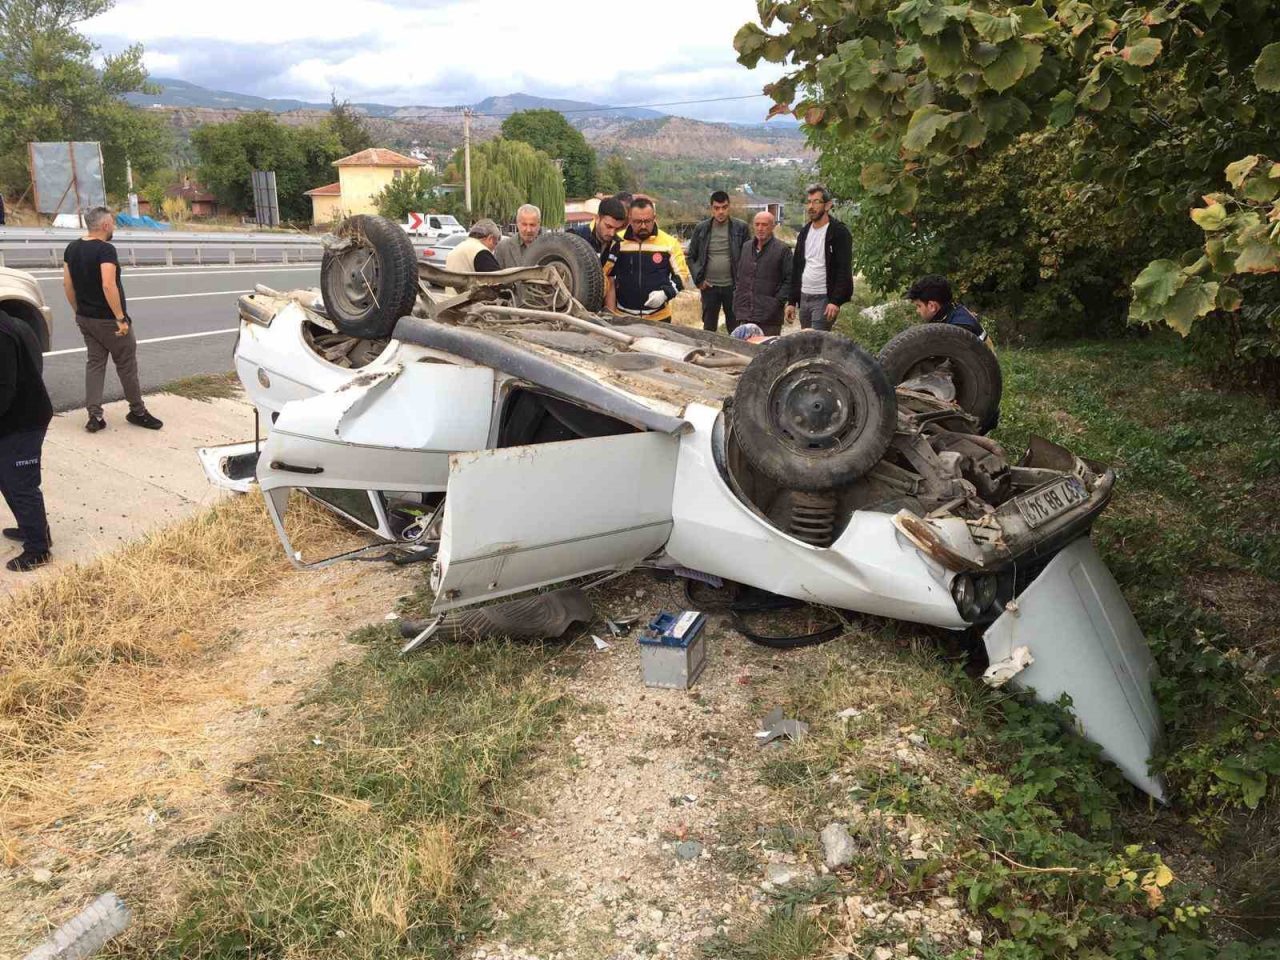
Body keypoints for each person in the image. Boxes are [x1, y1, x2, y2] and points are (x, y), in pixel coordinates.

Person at [63, 207, 162, 432]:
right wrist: (120, 318)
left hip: (86, 318)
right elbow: (108, 285)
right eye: (113, 223)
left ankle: (95, 416)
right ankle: (138, 411)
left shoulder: (72, 248)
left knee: (95, 364)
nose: (114, 227)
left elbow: (67, 285)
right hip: (109, 320)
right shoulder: (105, 250)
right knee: (126, 365)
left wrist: (79, 310)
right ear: (105, 225)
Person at [0, 308, 53, 571]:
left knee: (21, 484)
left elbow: (4, 389)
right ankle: (31, 527)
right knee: (6, 479)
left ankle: (38, 548)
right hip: (10, 419)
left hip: (24, 420)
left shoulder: (2, 332)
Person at [604, 197, 690, 322]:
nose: (643, 226)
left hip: (659, 318)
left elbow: (683, 275)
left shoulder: (669, 243)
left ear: (654, 218)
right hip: (624, 318)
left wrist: (666, 293)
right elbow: (607, 276)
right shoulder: (617, 242)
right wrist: (611, 315)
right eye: (638, 222)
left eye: (648, 221)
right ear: (630, 219)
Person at [786, 183, 853, 332]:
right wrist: (791, 301)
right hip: (804, 297)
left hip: (823, 298)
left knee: (815, 343)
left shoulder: (839, 232)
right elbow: (797, 267)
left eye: (816, 202)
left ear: (828, 205)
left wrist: (835, 301)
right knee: (805, 342)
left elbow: (844, 269)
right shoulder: (804, 232)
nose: (811, 206)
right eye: (809, 202)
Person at [687, 190, 749, 332]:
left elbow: (748, 257)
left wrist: (743, 284)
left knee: (736, 328)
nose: (721, 212)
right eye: (717, 208)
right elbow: (691, 256)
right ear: (711, 209)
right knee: (709, 328)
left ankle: (735, 354)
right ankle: (709, 354)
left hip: (733, 288)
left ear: (729, 207)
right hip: (709, 288)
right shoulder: (701, 229)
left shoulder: (741, 228)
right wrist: (699, 280)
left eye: (724, 207)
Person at [731, 211, 792, 337]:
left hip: (769, 317)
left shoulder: (783, 250)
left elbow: (790, 280)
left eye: (764, 225)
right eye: (757, 224)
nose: (760, 228)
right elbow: (739, 276)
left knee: (767, 352)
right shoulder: (746, 247)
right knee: (744, 353)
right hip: (744, 313)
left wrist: (776, 302)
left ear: (773, 226)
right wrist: (737, 297)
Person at [905, 275, 989, 341]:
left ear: (932, 306)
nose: (917, 311)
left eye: (919, 306)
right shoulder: (952, 311)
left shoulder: (959, 329)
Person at [569, 196, 628, 265]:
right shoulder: (574, 237)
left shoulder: (619, 245)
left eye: (617, 229)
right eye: (608, 226)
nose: (612, 233)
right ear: (597, 218)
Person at [495, 203, 542, 268]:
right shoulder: (503, 248)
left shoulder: (548, 248)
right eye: (524, 224)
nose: (528, 230)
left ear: (539, 225)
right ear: (517, 223)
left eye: (532, 225)